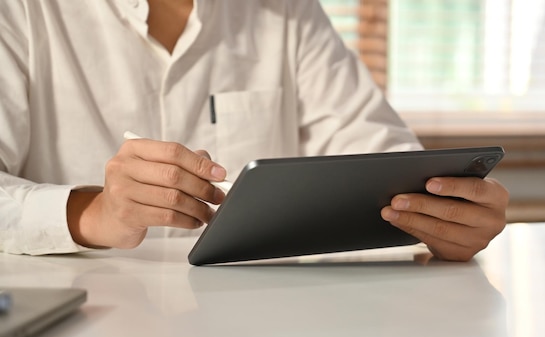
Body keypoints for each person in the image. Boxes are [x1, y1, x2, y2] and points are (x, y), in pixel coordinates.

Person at [0, 0, 508, 261]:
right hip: (83, 321)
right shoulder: (22, 12)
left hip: (261, 323)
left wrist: (441, 216)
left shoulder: (288, 11)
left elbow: (376, 148)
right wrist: (97, 213)